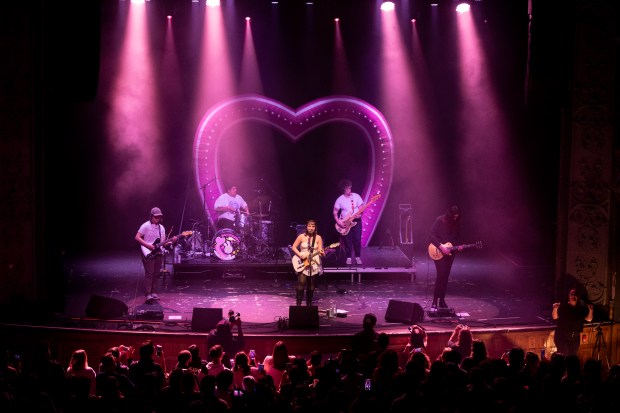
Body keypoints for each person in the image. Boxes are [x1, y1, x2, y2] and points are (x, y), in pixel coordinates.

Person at [135, 207, 180, 302]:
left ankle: (154, 292)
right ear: (151, 216)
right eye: (156, 217)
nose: (158, 219)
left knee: (156, 274)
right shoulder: (145, 225)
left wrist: (171, 241)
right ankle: (148, 294)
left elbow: (163, 242)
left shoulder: (161, 228)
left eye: (159, 217)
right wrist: (148, 245)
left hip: (159, 252)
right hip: (148, 251)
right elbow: (137, 237)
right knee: (149, 274)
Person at [429, 205, 463, 309]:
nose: (455, 218)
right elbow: (431, 235)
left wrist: (459, 246)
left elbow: (456, 238)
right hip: (438, 251)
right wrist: (440, 246)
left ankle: (442, 300)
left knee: (446, 276)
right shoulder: (439, 220)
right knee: (441, 275)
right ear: (450, 214)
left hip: (450, 253)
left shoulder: (456, 223)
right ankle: (434, 300)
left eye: (457, 217)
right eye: (454, 216)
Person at [291, 219, 325, 306]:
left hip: (313, 263)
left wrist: (322, 253)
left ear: (315, 227)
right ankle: (298, 303)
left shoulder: (318, 237)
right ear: (306, 227)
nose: (311, 228)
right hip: (303, 261)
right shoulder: (301, 236)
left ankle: (309, 303)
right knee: (301, 282)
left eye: (313, 226)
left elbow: (320, 250)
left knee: (311, 284)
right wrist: (300, 254)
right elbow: (294, 247)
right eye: (309, 226)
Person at [552, 287, 594, 356]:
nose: (573, 296)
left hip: (575, 338)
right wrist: (555, 309)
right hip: (562, 337)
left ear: (578, 296)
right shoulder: (564, 306)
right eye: (571, 294)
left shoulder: (581, 307)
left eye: (575, 294)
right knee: (563, 356)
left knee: (572, 357)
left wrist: (591, 311)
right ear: (569, 295)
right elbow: (555, 317)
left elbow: (589, 319)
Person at [333, 179, 364, 265]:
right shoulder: (340, 200)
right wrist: (338, 222)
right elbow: (335, 213)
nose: (350, 190)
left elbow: (361, 208)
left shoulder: (356, 196)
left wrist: (360, 214)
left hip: (356, 221)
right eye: (348, 189)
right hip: (345, 223)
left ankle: (358, 257)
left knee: (357, 240)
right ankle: (348, 257)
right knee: (347, 241)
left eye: (350, 188)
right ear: (343, 189)